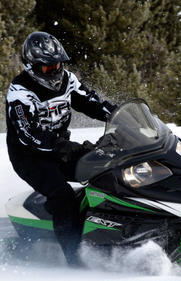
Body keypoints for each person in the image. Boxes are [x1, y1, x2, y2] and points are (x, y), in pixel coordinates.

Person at [5, 31, 117, 266]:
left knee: (106, 168)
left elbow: (90, 102)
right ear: (31, 66)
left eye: (57, 65)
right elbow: (28, 134)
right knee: (63, 197)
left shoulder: (68, 79)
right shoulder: (20, 92)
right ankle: (74, 259)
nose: (55, 71)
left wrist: (116, 114)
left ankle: (115, 231)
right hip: (30, 157)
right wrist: (59, 145)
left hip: (61, 147)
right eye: (47, 68)